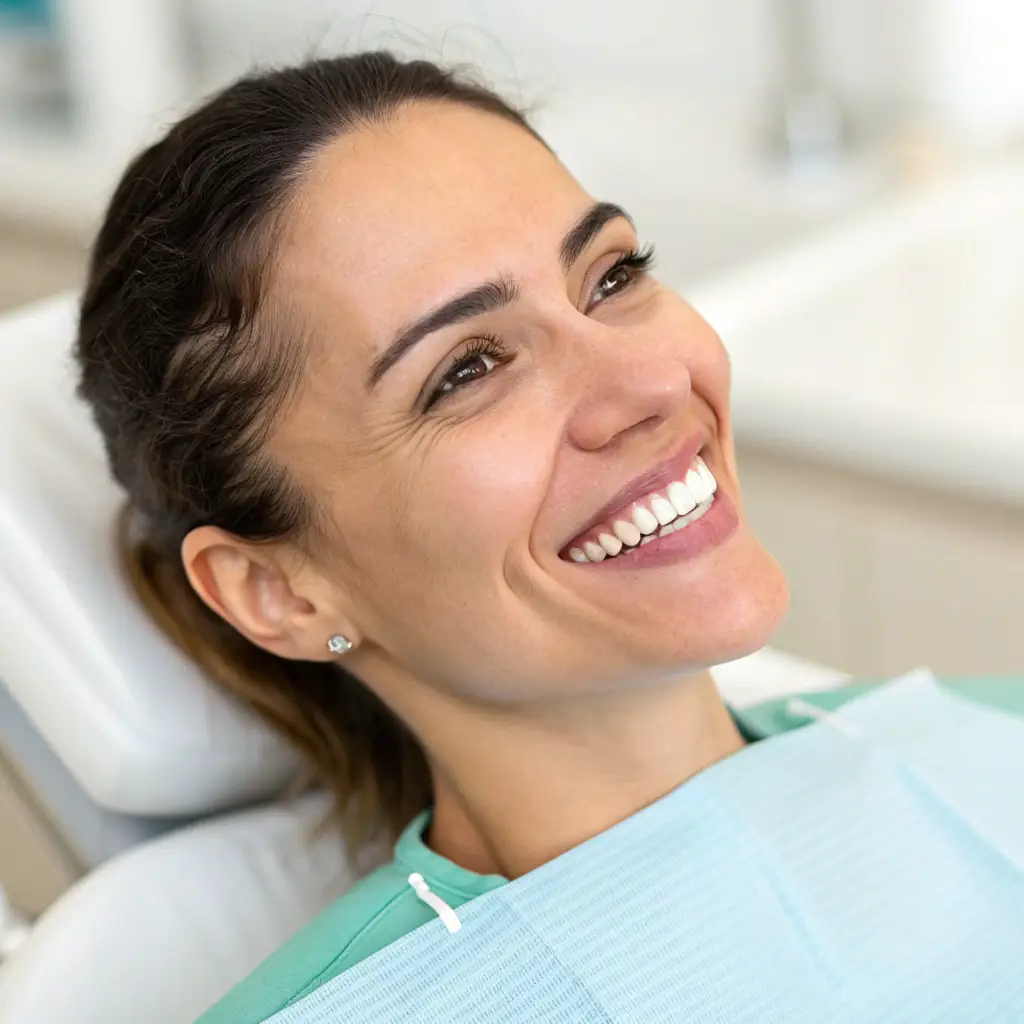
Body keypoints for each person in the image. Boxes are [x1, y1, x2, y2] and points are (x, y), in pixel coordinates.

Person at [73, 52, 1021, 1024]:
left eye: (612, 277)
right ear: (278, 591)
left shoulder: (994, 739)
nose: (651, 385)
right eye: (467, 369)